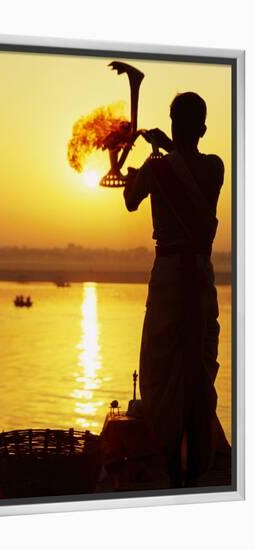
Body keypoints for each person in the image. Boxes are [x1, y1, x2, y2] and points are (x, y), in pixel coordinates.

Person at [123, 92, 225, 488]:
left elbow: (131, 200)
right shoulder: (214, 167)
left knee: (160, 373)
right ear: (202, 128)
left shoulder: (157, 168)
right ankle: (198, 465)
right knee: (197, 371)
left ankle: (167, 462)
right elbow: (186, 169)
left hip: (168, 281)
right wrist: (165, 150)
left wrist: (140, 171)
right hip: (200, 279)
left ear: (173, 124)